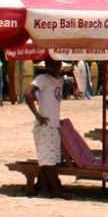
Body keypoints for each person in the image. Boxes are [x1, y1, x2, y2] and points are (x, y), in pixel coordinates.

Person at [25, 58, 70, 198]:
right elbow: (28, 94)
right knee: (49, 161)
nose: (56, 67)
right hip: (45, 126)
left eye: (58, 64)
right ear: (47, 66)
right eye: (53, 64)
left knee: (47, 160)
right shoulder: (42, 78)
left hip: (53, 125)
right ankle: (56, 191)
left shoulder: (58, 80)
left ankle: (45, 189)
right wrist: (38, 115)